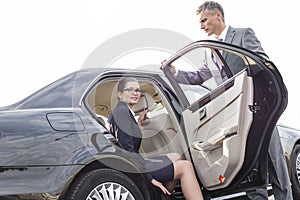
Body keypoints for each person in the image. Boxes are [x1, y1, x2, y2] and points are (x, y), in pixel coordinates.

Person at [166, 1, 293, 199]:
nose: (201, 26)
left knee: (274, 163)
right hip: (236, 116)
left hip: (258, 110)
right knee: (250, 166)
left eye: (204, 20)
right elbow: (200, 76)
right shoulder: (210, 52)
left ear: (217, 15)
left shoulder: (242, 34)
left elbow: (260, 59)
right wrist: (176, 73)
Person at [107, 77, 204, 200]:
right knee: (186, 166)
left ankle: (164, 197)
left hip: (136, 163)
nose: (135, 93)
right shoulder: (121, 112)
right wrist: (151, 179)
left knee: (176, 156)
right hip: (136, 168)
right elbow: (128, 150)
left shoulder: (123, 111)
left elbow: (127, 138)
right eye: (130, 90)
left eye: (137, 90)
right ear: (120, 94)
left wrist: (139, 124)